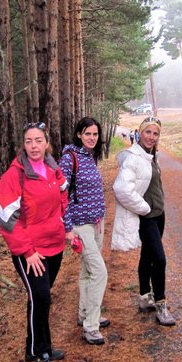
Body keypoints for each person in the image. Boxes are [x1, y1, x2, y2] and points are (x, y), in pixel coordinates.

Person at [0, 122, 69, 362]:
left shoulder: (53, 168)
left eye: (39, 140)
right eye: (29, 141)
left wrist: (64, 224)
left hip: (55, 245)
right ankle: (41, 357)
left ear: (46, 143)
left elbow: (63, 193)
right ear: (23, 145)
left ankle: (35, 347)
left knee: (39, 300)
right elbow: (7, 221)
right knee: (41, 297)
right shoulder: (13, 176)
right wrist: (27, 252)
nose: (34, 146)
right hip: (29, 251)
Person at [111, 116, 176, 326]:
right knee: (159, 259)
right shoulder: (133, 158)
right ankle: (161, 304)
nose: (151, 137)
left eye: (155, 133)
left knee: (148, 255)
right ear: (139, 133)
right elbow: (121, 189)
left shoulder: (150, 155)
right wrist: (144, 208)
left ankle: (143, 296)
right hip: (147, 217)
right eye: (148, 132)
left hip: (159, 215)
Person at [59, 117, 109, 346]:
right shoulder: (69, 159)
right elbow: (60, 196)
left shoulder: (90, 157)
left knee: (88, 272)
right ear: (79, 134)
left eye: (95, 134)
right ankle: (91, 326)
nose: (92, 138)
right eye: (87, 133)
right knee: (99, 272)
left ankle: (85, 314)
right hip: (81, 225)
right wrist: (68, 227)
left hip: (96, 222)